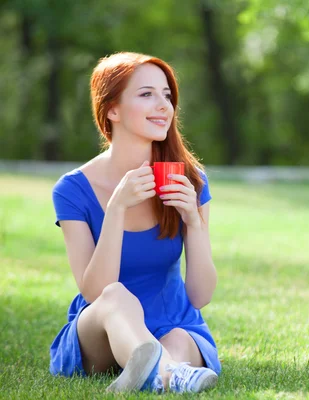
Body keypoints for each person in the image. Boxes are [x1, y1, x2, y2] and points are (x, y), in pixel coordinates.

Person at [49, 52, 221, 394]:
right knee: (115, 296)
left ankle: (159, 371)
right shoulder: (72, 190)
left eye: (167, 95)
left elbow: (200, 296)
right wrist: (116, 209)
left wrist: (194, 223)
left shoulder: (190, 181)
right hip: (101, 330)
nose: (163, 106)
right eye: (147, 94)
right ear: (111, 109)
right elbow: (95, 292)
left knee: (179, 339)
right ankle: (164, 368)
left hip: (173, 324)